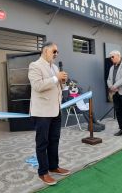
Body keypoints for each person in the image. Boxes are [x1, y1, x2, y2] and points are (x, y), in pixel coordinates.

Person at [28, 42, 70, 185]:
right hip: (42, 112)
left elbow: (59, 86)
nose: (56, 54)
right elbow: (38, 86)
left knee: (54, 140)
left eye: (57, 52)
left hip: (56, 110)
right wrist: (55, 78)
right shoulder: (34, 65)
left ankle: (54, 166)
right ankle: (43, 172)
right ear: (45, 51)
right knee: (42, 143)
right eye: (54, 51)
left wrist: (63, 81)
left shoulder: (55, 67)